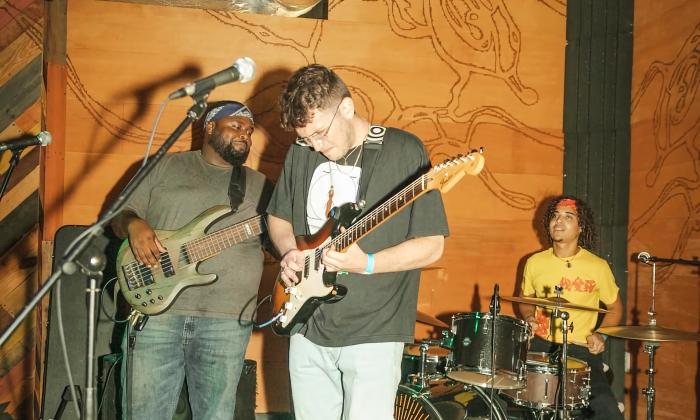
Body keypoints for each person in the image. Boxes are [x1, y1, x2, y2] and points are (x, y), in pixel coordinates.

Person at [266, 64, 449, 419]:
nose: (315, 146)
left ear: (347, 108)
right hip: (305, 321)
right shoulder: (301, 152)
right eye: (307, 138)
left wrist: (367, 263)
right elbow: (278, 216)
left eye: (320, 133)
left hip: (375, 328)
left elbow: (432, 244)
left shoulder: (404, 150)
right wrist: (289, 249)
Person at [111, 101, 269, 420]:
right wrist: (133, 224)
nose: (244, 135)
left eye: (249, 131)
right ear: (209, 127)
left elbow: (282, 243)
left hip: (227, 317)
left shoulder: (262, 186)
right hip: (157, 311)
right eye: (236, 126)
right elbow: (118, 216)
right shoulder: (165, 166)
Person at [518, 195, 624, 419]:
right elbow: (525, 298)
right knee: (513, 399)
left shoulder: (597, 267)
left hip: (580, 350)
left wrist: (600, 335)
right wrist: (529, 317)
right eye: (555, 215)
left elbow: (615, 308)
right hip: (540, 345)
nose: (559, 221)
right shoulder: (534, 262)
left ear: (580, 227)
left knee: (607, 408)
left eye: (568, 216)